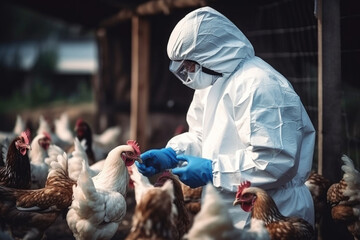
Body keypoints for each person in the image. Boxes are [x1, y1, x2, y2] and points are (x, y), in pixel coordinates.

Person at [136, 6, 315, 228]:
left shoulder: (261, 84)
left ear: (211, 53)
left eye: (190, 65)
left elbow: (274, 162)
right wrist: (173, 154)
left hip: (275, 214)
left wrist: (213, 171)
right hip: (229, 209)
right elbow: (202, 135)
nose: (188, 73)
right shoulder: (212, 82)